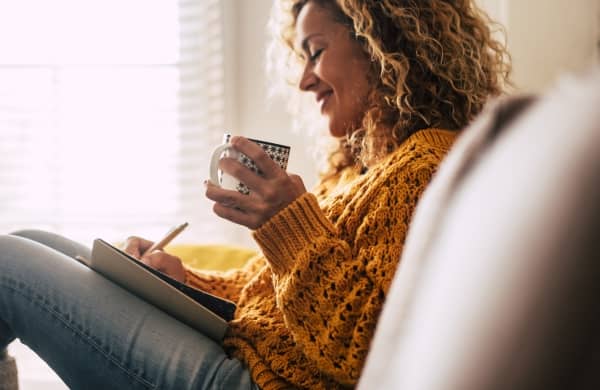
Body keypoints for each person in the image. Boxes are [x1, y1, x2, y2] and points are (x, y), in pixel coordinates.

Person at [0, 0, 510, 388]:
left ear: (383, 44)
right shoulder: (359, 169)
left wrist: (288, 226)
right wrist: (181, 282)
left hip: (257, 381)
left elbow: (370, 353)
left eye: (316, 52)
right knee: (31, 238)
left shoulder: (424, 168)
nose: (306, 79)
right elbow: (264, 296)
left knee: (6, 262)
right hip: (248, 354)